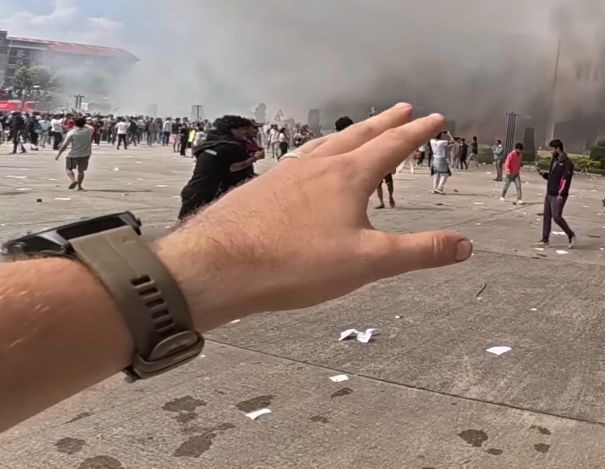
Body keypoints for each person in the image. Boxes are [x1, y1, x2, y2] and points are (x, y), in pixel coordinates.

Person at [0, 104, 473, 433]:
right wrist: (201, 263)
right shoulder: (227, 149)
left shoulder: (216, 145)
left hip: (196, 211)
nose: (252, 134)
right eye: (247, 131)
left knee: (194, 226)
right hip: (201, 208)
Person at [178, 115, 265, 220]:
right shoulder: (231, 146)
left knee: (186, 222)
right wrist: (255, 157)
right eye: (242, 129)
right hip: (204, 193)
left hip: (195, 189)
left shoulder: (213, 142)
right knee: (187, 224)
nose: (245, 132)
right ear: (233, 131)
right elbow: (234, 167)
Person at [536, 139, 576, 247]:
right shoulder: (554, 159)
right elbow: (553, 176)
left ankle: (571, 235)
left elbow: (565, 180)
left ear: (558, 148)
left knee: (557, 217)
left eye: (551, 149)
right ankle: (545, 239)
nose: (551, 151)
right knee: (546, 216)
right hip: (549, 192)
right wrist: (544, 175)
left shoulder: (567, 163)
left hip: (558, 194)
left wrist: (561, 194)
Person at [54, 116, 94, 191]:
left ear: (75, 124)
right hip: (85, 154)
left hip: (73, 154)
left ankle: (73, 180)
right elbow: (90, 127)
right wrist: (83, 124)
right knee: (81, 171)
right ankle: (79, 186)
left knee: (68, 169)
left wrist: (58, 155)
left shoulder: (72, 133)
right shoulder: (89, 131)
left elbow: (64, 146)